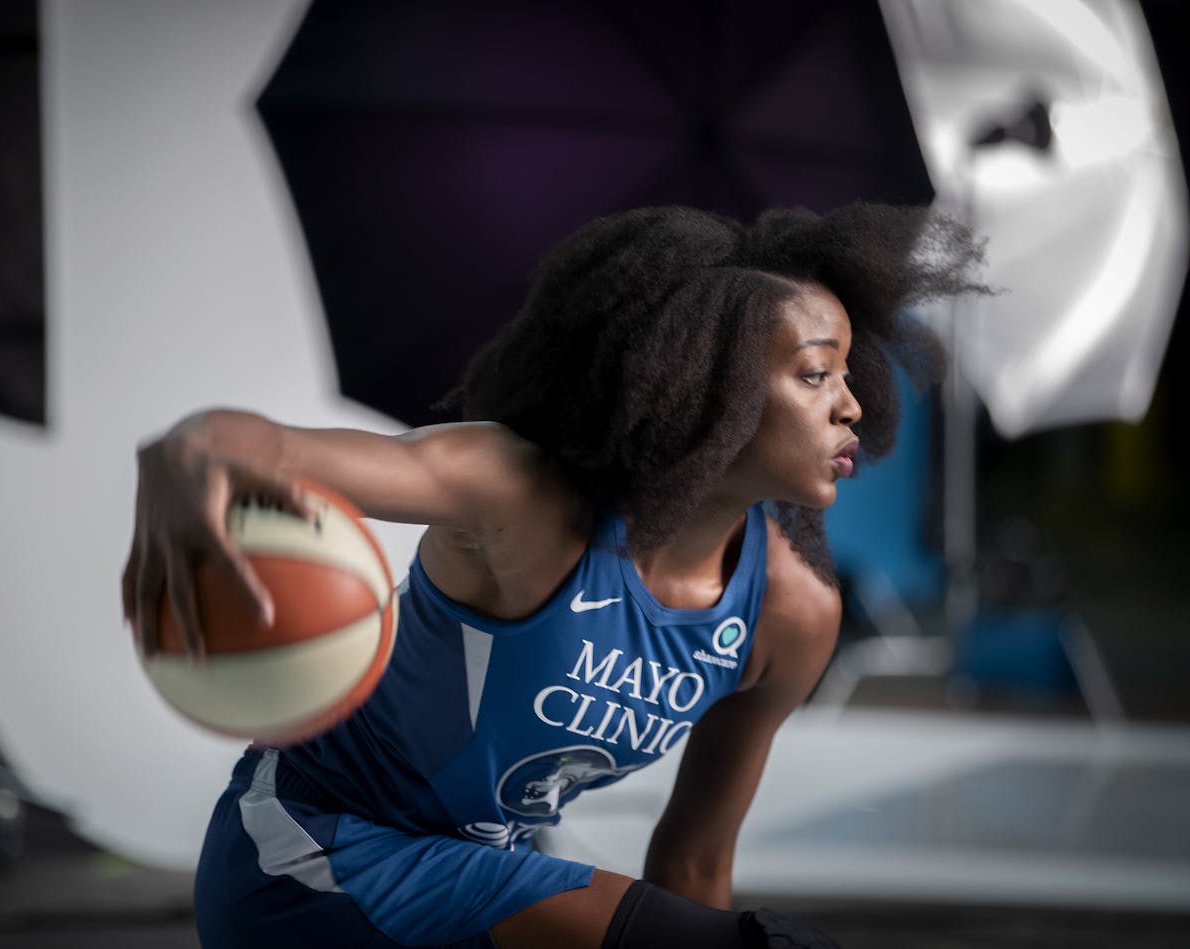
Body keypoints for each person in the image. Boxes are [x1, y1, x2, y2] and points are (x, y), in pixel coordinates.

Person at [123, 204, 985, 949]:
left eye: (847, 373)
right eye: (814, 373)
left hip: (486, 884)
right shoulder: (521, 498)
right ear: (705, 385)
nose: (853, 404)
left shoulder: (792, 613)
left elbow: (692, 863)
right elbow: (259, 450)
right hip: (311, 853)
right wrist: (189, 451)